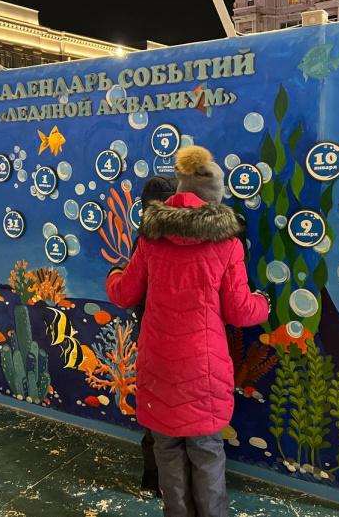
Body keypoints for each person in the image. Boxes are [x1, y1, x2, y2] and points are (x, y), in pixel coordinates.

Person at [106, 146, 269, 517]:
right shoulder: (226, 244)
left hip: (158, 366)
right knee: (207, 451)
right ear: (214, 198)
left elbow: (124, 293)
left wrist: (113, 275)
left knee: (166, 450)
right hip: (204, 368)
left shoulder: (151, 238)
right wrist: (263, 303)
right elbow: (241, 311)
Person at [131, 174, 179, 498]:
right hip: (189, 339)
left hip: (152, 334)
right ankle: (176, 481)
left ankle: (153, 477)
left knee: (154, 408)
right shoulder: (200, 237)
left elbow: (131, 290)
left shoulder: (144, 239)